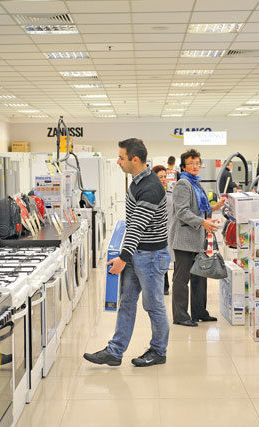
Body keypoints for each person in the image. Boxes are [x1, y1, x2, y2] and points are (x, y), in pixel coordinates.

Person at [83, 138, 171, 367]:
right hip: (138, 252)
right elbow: (133, 224)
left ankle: (158, 351)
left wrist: (123, 257)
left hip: (151, 256)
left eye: (121, 158)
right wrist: (126, 254)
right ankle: (115, 351)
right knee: (127, 302)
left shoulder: (150, 188)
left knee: (153, 305)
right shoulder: (137, 181)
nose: (118, 161)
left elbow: (137, 226)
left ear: (135, 159)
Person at [169, 149, 225, 326]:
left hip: (198, 238)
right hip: (185, 240)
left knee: (200, 276)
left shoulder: (196, 183)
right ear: (183, 166)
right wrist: (203, 222)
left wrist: (215, 207)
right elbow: (182, 212)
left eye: (197, 163)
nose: (195, 166)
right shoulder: (183, 184)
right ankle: (180, 316)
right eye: (191, 163)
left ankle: (200, 312)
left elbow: (201, 209)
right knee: (182, 279)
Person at [152, 165, 170, 295]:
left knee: (164, 258)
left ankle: (165, 285)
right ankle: (162, 285)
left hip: (167, 230)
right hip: (155, 233)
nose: (163, 179)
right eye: (160, 177)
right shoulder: (152, 194)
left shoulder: (168, 193)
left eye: (165, 177)